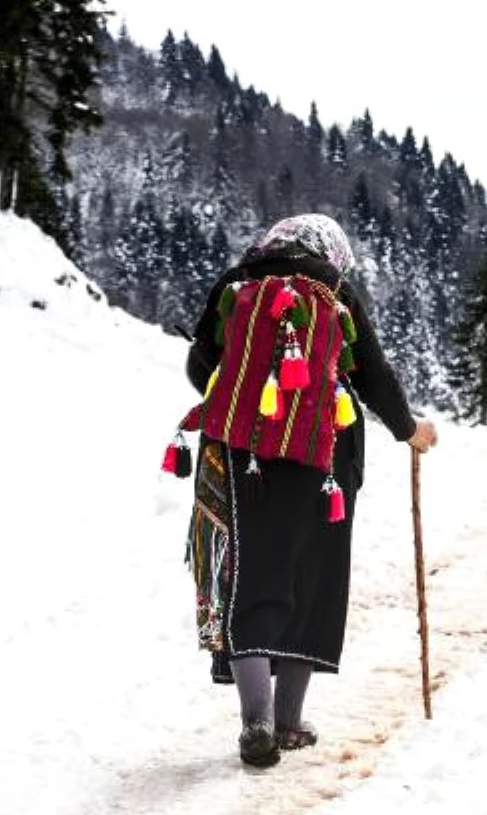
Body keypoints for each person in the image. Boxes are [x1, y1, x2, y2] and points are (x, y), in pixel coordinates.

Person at [184, 214, 438, 767]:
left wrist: (255, 394)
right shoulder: (334, 288)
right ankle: (290, 722)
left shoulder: (236, 283)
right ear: (331, 251)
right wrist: (408, 429)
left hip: (244, 453)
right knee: (313, 579)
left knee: (253, 575)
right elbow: (371, 372)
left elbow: (199, 366)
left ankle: (256, 719)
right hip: (326, 454)